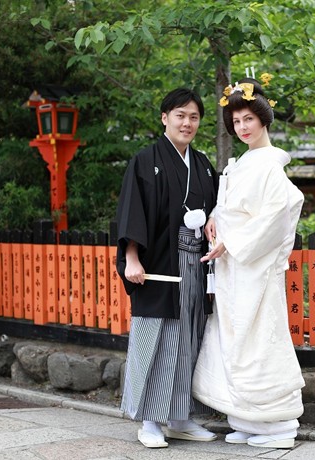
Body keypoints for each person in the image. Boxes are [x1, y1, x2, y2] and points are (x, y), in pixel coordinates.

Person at [192, 76, 305, 449]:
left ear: (263, 120)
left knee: (259, 339)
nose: (242, 128)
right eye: (236, 122)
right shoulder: (242, 164)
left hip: (252, 266)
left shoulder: (269, 167)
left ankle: (277, 424)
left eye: (248, 120)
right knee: (234, 338)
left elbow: (277, 214)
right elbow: (229, 208)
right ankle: (247, 419)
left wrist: (234, 241)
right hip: (234, 268)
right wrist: (214, 218)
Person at [115, 88, 219, 449]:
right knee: (155, 339)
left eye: (193, 117)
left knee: (189, 338)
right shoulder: (146, 160)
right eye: (180, 115)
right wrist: (131, 257)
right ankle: (149, 420)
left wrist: (214, 222)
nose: (187, 123)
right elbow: (133, 211)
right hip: (159, 263)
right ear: (164, 118)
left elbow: (216, 208)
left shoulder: (203, 164)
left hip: (195, 264)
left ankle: (179, 417)